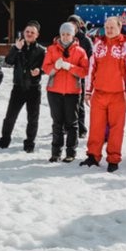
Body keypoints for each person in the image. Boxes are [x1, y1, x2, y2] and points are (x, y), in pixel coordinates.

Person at [82, 16, 126, 172]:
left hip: (118, 95)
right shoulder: (98, 44)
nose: (109, 30)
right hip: (99, 93)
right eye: (107, 27)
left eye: (112, 27)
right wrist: (88, 91)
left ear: (119, 28)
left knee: (116, 128)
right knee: (96, 127)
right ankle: (93, 156)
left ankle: (113, 159)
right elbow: (91, 68)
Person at [0, 21, 46, 153]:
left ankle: (29, 144)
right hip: (18, 87)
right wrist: (16, 49)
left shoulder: (41, 50)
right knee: (10, 116)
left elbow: (46, 67)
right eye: (27, 32)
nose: (29, 34)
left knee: (33, 118)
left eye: (32, 32)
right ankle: (4, 141)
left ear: (37, 35)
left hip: (34, 88)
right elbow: (8, 61)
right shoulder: (17, 46)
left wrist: (39, 71)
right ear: (24, 33)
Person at [43, 22, 89, 163]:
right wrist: (55, 67)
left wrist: (71, 67)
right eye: (63, 34)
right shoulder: (51, 49)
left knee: (72, 123)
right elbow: (46, 68)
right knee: (57, 123)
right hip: (54, 91)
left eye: (68, 34)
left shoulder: (80, 51)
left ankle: (71, 152)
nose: (65, 36)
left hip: (72, 92)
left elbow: (84, 71)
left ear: (73, 35)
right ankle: (56, 152)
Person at [68, 14, 93, 139]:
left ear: (78, 26)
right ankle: (65, 127)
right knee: (66, 103)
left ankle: (81, 128)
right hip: (66, 75)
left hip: (80, 75)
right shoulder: (66, 37)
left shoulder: (85, 40)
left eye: (74, 24)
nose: (72, 27)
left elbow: (91, 58)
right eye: (70, 24)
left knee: (79, 104)